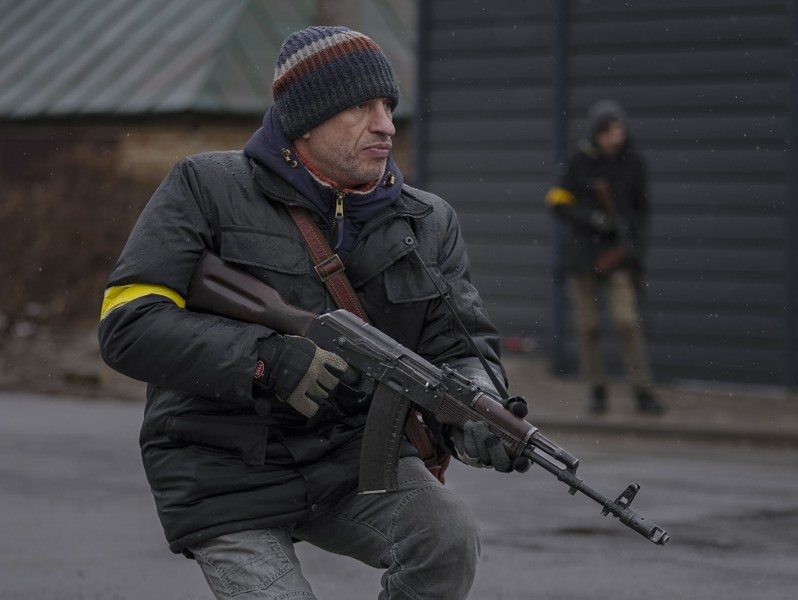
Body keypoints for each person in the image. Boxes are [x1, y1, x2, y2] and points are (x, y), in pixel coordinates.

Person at [98, 26, 526, 600]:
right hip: (222, 467)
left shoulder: (427, 221)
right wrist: (265, 362)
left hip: (352, 464)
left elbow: (459, 346)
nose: (386, 125)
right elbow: (128, 324)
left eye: (389, 106)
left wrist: (478, 410)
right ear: (305, 120)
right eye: (361, 107)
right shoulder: (205, 186)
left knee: (448, 540)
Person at [545, 100, 665, 415]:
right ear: (597, 133)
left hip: (619, 257)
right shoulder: (578, 161)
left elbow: (642, 212)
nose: (616, 137)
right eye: (610, 131)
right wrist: (592, 218)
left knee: (627, 322)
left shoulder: (634, 163)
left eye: (619, 130)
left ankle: (643, 392)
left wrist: (633, 249)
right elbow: (556, 200)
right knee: (589, 328)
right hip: (582, 258)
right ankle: (597, 391)